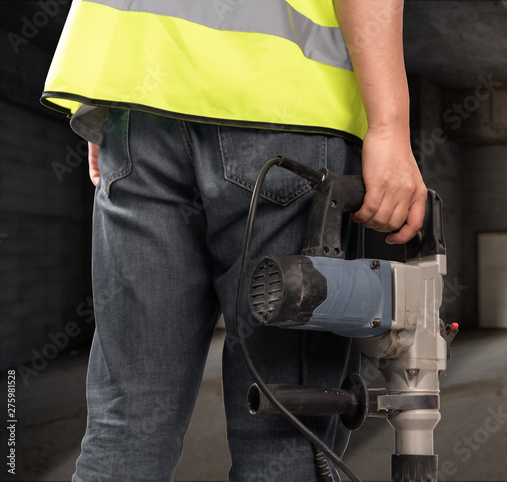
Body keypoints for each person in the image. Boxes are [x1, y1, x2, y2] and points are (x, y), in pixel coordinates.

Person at [40, 1, 424, 480]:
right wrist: (390, 125)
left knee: (127, 423)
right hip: (283, 106)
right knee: (286, 435)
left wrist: (99, 107)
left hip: (135, 106)